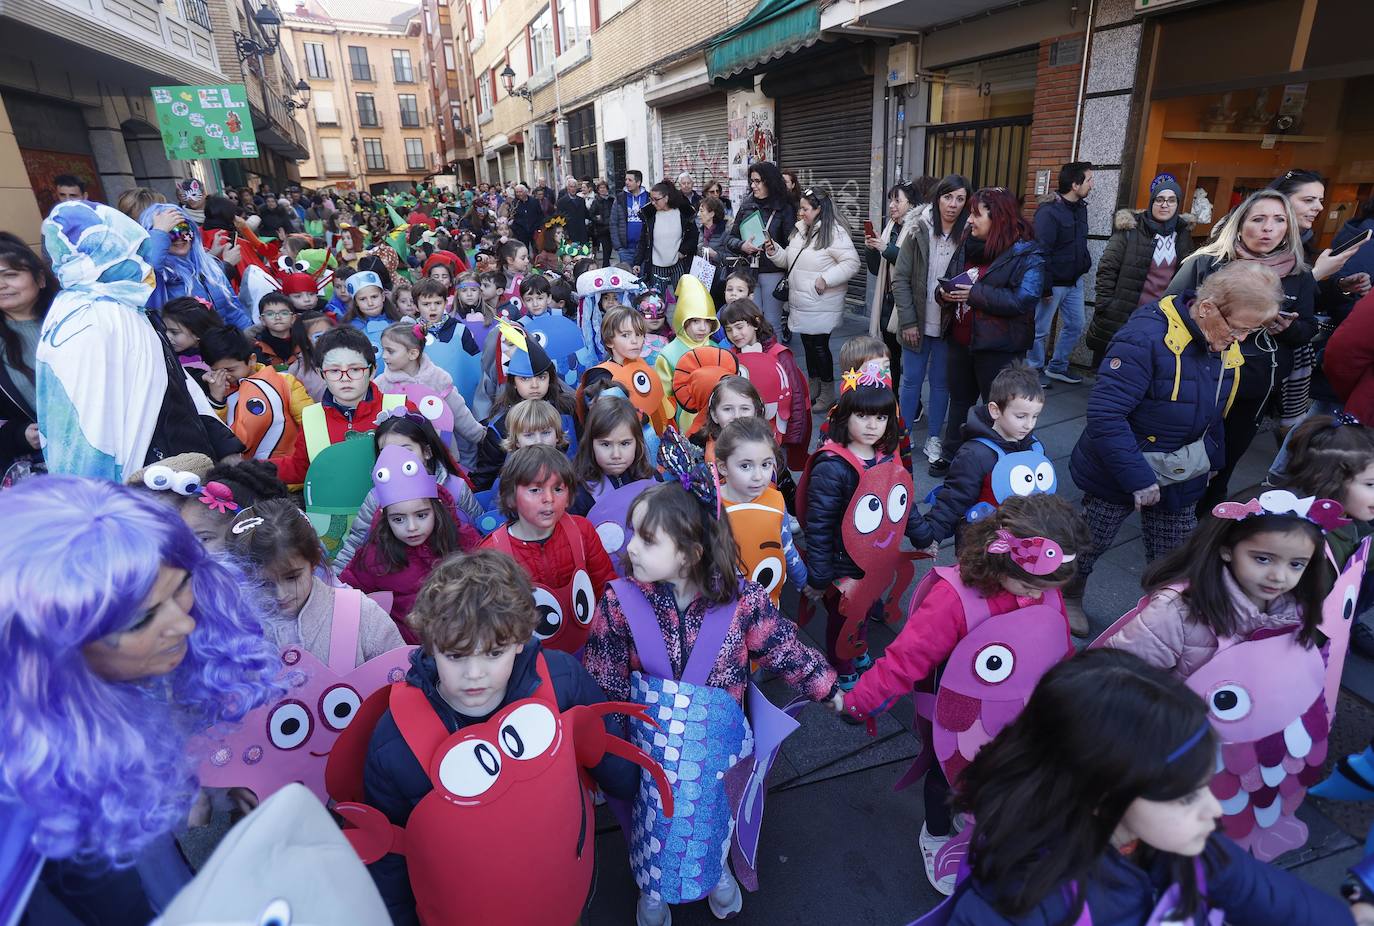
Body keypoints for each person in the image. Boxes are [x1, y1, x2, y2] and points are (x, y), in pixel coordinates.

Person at [0, 476, 281, 924]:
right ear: (49, 650)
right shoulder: (27, 822)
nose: (184, 625)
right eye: (140, 619)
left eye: (182, 587)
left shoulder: (110, 686)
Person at [941, 648, 1360, 925]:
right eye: (1186, 796)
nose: (1215, 811)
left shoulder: (1181, 845)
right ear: (1102, 797)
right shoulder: (1023, 901)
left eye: (1204, 784)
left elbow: (1261, 891)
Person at [584, 479, 841, 925]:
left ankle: (716, 866)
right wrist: (603, 750)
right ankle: (652, 888)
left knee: (716, 810)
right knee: (650, 821)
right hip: (649, 750)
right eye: (633, 534)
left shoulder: (742, 602)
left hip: (717, 749)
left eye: (647, 539)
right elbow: (603, 679)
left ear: (689, 553)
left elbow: (783, 648)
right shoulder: (619, 602)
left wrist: (828, 689)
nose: (632, 549)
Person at [359, 549, 640, 926]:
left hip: (560, 882)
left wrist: (627, 783)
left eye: (493, 653)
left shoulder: (560, 680)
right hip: (469, 905)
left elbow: (603, 745)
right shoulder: (395, 742)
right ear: (429, 645)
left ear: (521, 640)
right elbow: (390, 856)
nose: (474, 674)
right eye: (456, 656)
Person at [845, 494, 1087, 893]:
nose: (1035, 594)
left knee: (997, 772)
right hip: (960, 716)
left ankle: (972, 813)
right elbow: (907, 657)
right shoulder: (954, 599)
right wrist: (861, 699)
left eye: (1046, 588)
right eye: (1028, 584)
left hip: (1018, 712)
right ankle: (936, 833)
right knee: (947, 775)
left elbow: (1055, 640)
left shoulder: (1043, 587)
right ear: (1001, 559)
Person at [1068, 261, 1284, 602]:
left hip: (1181, 468)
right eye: (1239, 329)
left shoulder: (1221, 340)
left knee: (1175, 558)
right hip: (1120, 466)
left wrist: (1214, 457)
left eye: (1249, 332)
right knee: (1090, 540)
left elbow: (1216, 409)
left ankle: (1163, 614)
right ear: (1207, 307)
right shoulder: (1144, 338)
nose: (1240, 340)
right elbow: (1106, 415)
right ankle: (1068, 596)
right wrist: (1138, 477)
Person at [38, 201, 244, 481]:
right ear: (106, 255)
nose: (143, 259)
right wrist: (103, 504)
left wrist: (222, 443)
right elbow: (87, 430)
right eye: (134, 249)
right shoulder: (90, 319)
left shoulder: (121, 307)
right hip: (136, 483)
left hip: (166, 467)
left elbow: (175, 384)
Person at [1165, 188, 1318, 512]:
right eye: (1258, 218)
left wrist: (1289, 328)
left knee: (1229, 454)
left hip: (1256, 385)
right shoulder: (1206, 262)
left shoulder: (1298, 274)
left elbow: (1308, 328)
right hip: (1203, 377)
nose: (1268, 228)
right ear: (1240, 222)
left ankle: (1207, 513)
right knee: (1186, 445)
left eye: (1278, 220)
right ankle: (1170, 508)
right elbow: (1168, 311)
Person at [801, 361, 923, 686]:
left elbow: (900, 500)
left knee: (864, 608)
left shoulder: (884, 456)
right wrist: (820, 574)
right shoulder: (833, 466)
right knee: (843, 619)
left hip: (873, 558)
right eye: (863, 416)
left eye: (881, 418)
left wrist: (922, 534)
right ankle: (841, 667)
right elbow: (820, 524)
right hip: (843, 564)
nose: (872, 426)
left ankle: (856, 648)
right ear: (844, 416)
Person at [1104, 501, 1328, 678]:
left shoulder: (1295, 610)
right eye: (1262, 559)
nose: (1279, 577)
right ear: (1227, 550)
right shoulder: (1175, 611)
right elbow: (1120, 678)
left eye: (1296, 564)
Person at [932, 187, 1045, 474]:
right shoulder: (967, 245)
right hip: (960, 341)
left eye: (975, 213)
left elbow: (1024, 300)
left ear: (998, 218)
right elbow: (950, 282)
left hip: (998, 348)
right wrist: (942, 294)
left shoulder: (1027, 253)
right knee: (958, 401)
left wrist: (974, 294)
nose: (969, 220)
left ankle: (999, 463)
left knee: (998, 408)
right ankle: (952, 454)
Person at [230, 497, 405, 663]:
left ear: (314, 561)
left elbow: (399, 675)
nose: (280, 594)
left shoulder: (362, 615)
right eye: (263, 583)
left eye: (292, 577)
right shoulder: (232, 628)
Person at [479, 444, 617, 650]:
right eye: (535, 490)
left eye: (558, 489)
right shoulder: (492, 554)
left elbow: (606, 590)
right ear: (510, 497)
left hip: (591, 648)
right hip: (533, 664)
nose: (549, 499)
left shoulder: (582, 531)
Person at [909, 363, 1053, 550]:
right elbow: (955, 497)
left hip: (1022, 539)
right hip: (980, 542)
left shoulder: (1034, 448)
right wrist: (932, 535)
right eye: (1021, 416)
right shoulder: (976, 454)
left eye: (1035, 416)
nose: (1029, 424)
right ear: (995, 410)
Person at [339, 444, 469, 641]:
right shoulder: (375, 557)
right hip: (407, 652)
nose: (411, 527)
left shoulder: (462, 540)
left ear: (436, 509)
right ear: (385, 517)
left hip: (463, 644)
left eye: (421, 515)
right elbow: (347, 595)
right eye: (398, 519)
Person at [335, 412, 482, 572]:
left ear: (426, 452)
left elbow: (479, 532)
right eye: (386, 453)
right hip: (399, 573)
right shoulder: (376, 497)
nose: (398, 459)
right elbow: (356, 543)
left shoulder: (455, 488)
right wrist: (333, 582)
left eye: (406, 450)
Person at [893, 174, 969, 466]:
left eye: (960, 199)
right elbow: (900, 278)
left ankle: (935, 437)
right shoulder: (918, 228)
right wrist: (909, 321)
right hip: (918, 322)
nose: (953, 204)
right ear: (937, 198)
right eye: (948, 197)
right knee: (911, 381)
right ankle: (905, 435)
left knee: (941, 383)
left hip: (949, 325)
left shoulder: (968, 234)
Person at [270, 326, 403, 486]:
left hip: (390, 508)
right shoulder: (311, 417)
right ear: (321, 374)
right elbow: (301, 468)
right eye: (334, 370)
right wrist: (254, 469)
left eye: (355, 369)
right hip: (333, 509)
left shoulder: (400, 408)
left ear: (372, 370)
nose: (345, 378)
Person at [1086, 174, 1197, 367]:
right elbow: (1107, 268)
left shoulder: (1182, 235)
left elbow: (1188, 275)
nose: (1165, 205)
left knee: (1143, 368)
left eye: (1171, 200)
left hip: (1161, 319)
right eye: (1159, 199)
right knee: (1114, 366)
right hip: (1124, 313)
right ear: (1152, 201)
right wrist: (1105, 304)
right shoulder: (1131, 229)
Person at [766, 188, 860, 412]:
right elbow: (790, 260)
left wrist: (826, 279)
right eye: (801, 208)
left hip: (821, 302)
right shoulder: (801, 231)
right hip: (802, 301)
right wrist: (774, 251)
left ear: (819, 209)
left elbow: (852, 263)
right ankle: (813, 389)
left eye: (806, 208)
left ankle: (827, 394)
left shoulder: (834, 233)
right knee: (808, 346)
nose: (801, 213)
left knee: (819, 347)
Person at [717, 416, 815, 606]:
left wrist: (804, 581)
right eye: (745, 466)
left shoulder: (776, 500)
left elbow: (786, 547)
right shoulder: (711, 506)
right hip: (725, 608)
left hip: (767, 603)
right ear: (723, 466)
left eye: (766, 464)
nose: (758, 476)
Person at [719, 297, 811, 466]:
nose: (735, 334)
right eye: (729, 330)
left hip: (777, 431)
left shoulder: (780, 354)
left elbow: (796, 395)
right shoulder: (731, 357)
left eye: (739, 327)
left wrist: (793, 435)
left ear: (755, 323)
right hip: (743, 430)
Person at [374, 321, 487, 452]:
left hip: (442, 452)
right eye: (383, 350)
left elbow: (459, 414)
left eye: (390, 351)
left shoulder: (438, 378)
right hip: (400, 457)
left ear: (413, 354)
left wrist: (482, 437)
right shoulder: (381, 385)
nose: (384, 356)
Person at [1030, 160, 1094, 385]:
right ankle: (1033, 370)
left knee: (1076, 324)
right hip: (1053, 283)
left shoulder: (1081, 209)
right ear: (1075, 185)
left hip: (1074, 281)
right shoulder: (1049, 211)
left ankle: (1057, 366)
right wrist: (1044, 285)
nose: (1092, 184)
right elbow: (1040, 250)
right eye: (1089, 179)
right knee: (1040, 330)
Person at [140, 202, 251, 329]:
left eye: (183, 229)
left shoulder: (209, 267)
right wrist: (159, 232)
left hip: (224, 344)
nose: (179, 238)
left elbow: (233, 312)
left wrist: (252, 338)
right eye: (170, 233)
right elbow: (150, 268)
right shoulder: (158, 277)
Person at [0, 233, 57, 475]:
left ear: (40, 279)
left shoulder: (76, 322)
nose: (1, 285)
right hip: (40, 472)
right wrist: (19, 435)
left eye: (10, 275)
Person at [726, 161, 796, 337]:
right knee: (750, 320)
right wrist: (742, 245)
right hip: (748, 271)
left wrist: (774, 248)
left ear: (769, 182)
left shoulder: (785, 208)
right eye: (751, 181)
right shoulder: (747, 205)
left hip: (773, 271)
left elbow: (792, 244)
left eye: (757, 181)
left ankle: (775, 362)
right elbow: (730, 238)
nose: (753, 185)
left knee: (772, 322)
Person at [865, 180, 922, 391]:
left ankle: (911, 405)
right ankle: (892, 398)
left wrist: (885, 248)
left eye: (897, 200)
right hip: (887, 302)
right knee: (889, 356)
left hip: (905, 304)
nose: (891, 205)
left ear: (912, 203)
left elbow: (913, 266)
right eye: (891, 200)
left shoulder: (917, 229)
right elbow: (874, 269)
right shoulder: (891, 227)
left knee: (907, 360)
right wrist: (872, 249)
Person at [635, 181, 698, 291]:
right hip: (656, 266)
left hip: (678, 264)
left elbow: (693, 236)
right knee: (656, 301)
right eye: (651, 199)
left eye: (656, 199)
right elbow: (643, 241)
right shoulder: (650, 216)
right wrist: (637, 262)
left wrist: (683, 252)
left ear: (666, 198)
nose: (653, 203)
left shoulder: (683, 213)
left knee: (682, 298)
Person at [611, 170, 650, 267]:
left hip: (644, 248)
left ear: (638, 182)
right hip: (625, 249)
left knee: (643, 279)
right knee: (628, 278)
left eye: (630, 180)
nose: (626, 182)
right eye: (626, 179)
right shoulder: (620, 198)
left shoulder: (648, 198)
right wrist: (618, 246)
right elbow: (613, 223)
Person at [556, 175, 590, 243]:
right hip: (569, 234)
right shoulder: (561, 202)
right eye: (571, 187)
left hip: (582, 233)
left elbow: (587, 214)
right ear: (568, 188)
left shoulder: (581, 200)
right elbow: (559, 218)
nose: (573, 189)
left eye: (575, 187)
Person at [590, 177, 615, 265]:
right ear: (598, 190)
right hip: (602, 229)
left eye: (604, 188)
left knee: (609, 249)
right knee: (605, 248)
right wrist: (599, 220)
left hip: (611, 228)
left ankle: (607, 264)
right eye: (601, 188)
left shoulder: (611, 200)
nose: (602, 190)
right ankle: (606, 266)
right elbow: (592, 215)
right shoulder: (596, 201)